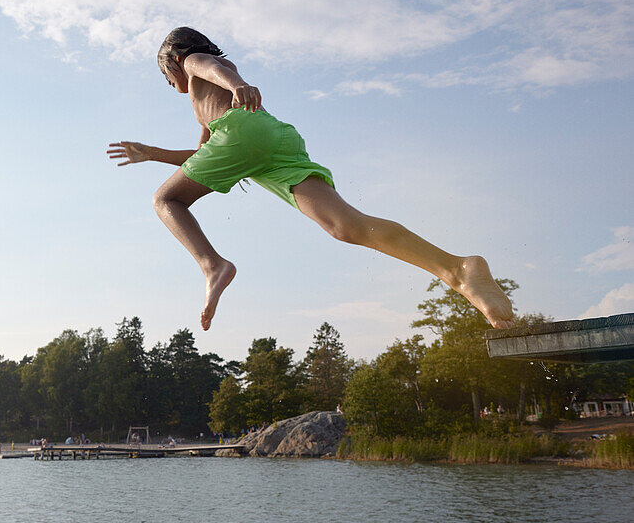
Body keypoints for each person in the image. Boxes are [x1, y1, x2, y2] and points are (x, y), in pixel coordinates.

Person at [107, 27, 516, 332]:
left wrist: (239, 85)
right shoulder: (206, 107)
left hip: (243, 132)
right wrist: (152, 154)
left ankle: (213, 266)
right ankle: (459, 271)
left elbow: (210, 66)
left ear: (174, 62)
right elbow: (203, 155)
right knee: (347, 226)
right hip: (272, 141)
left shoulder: (195, 64)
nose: (175, 88)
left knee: (166, 201)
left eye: (167, 78)